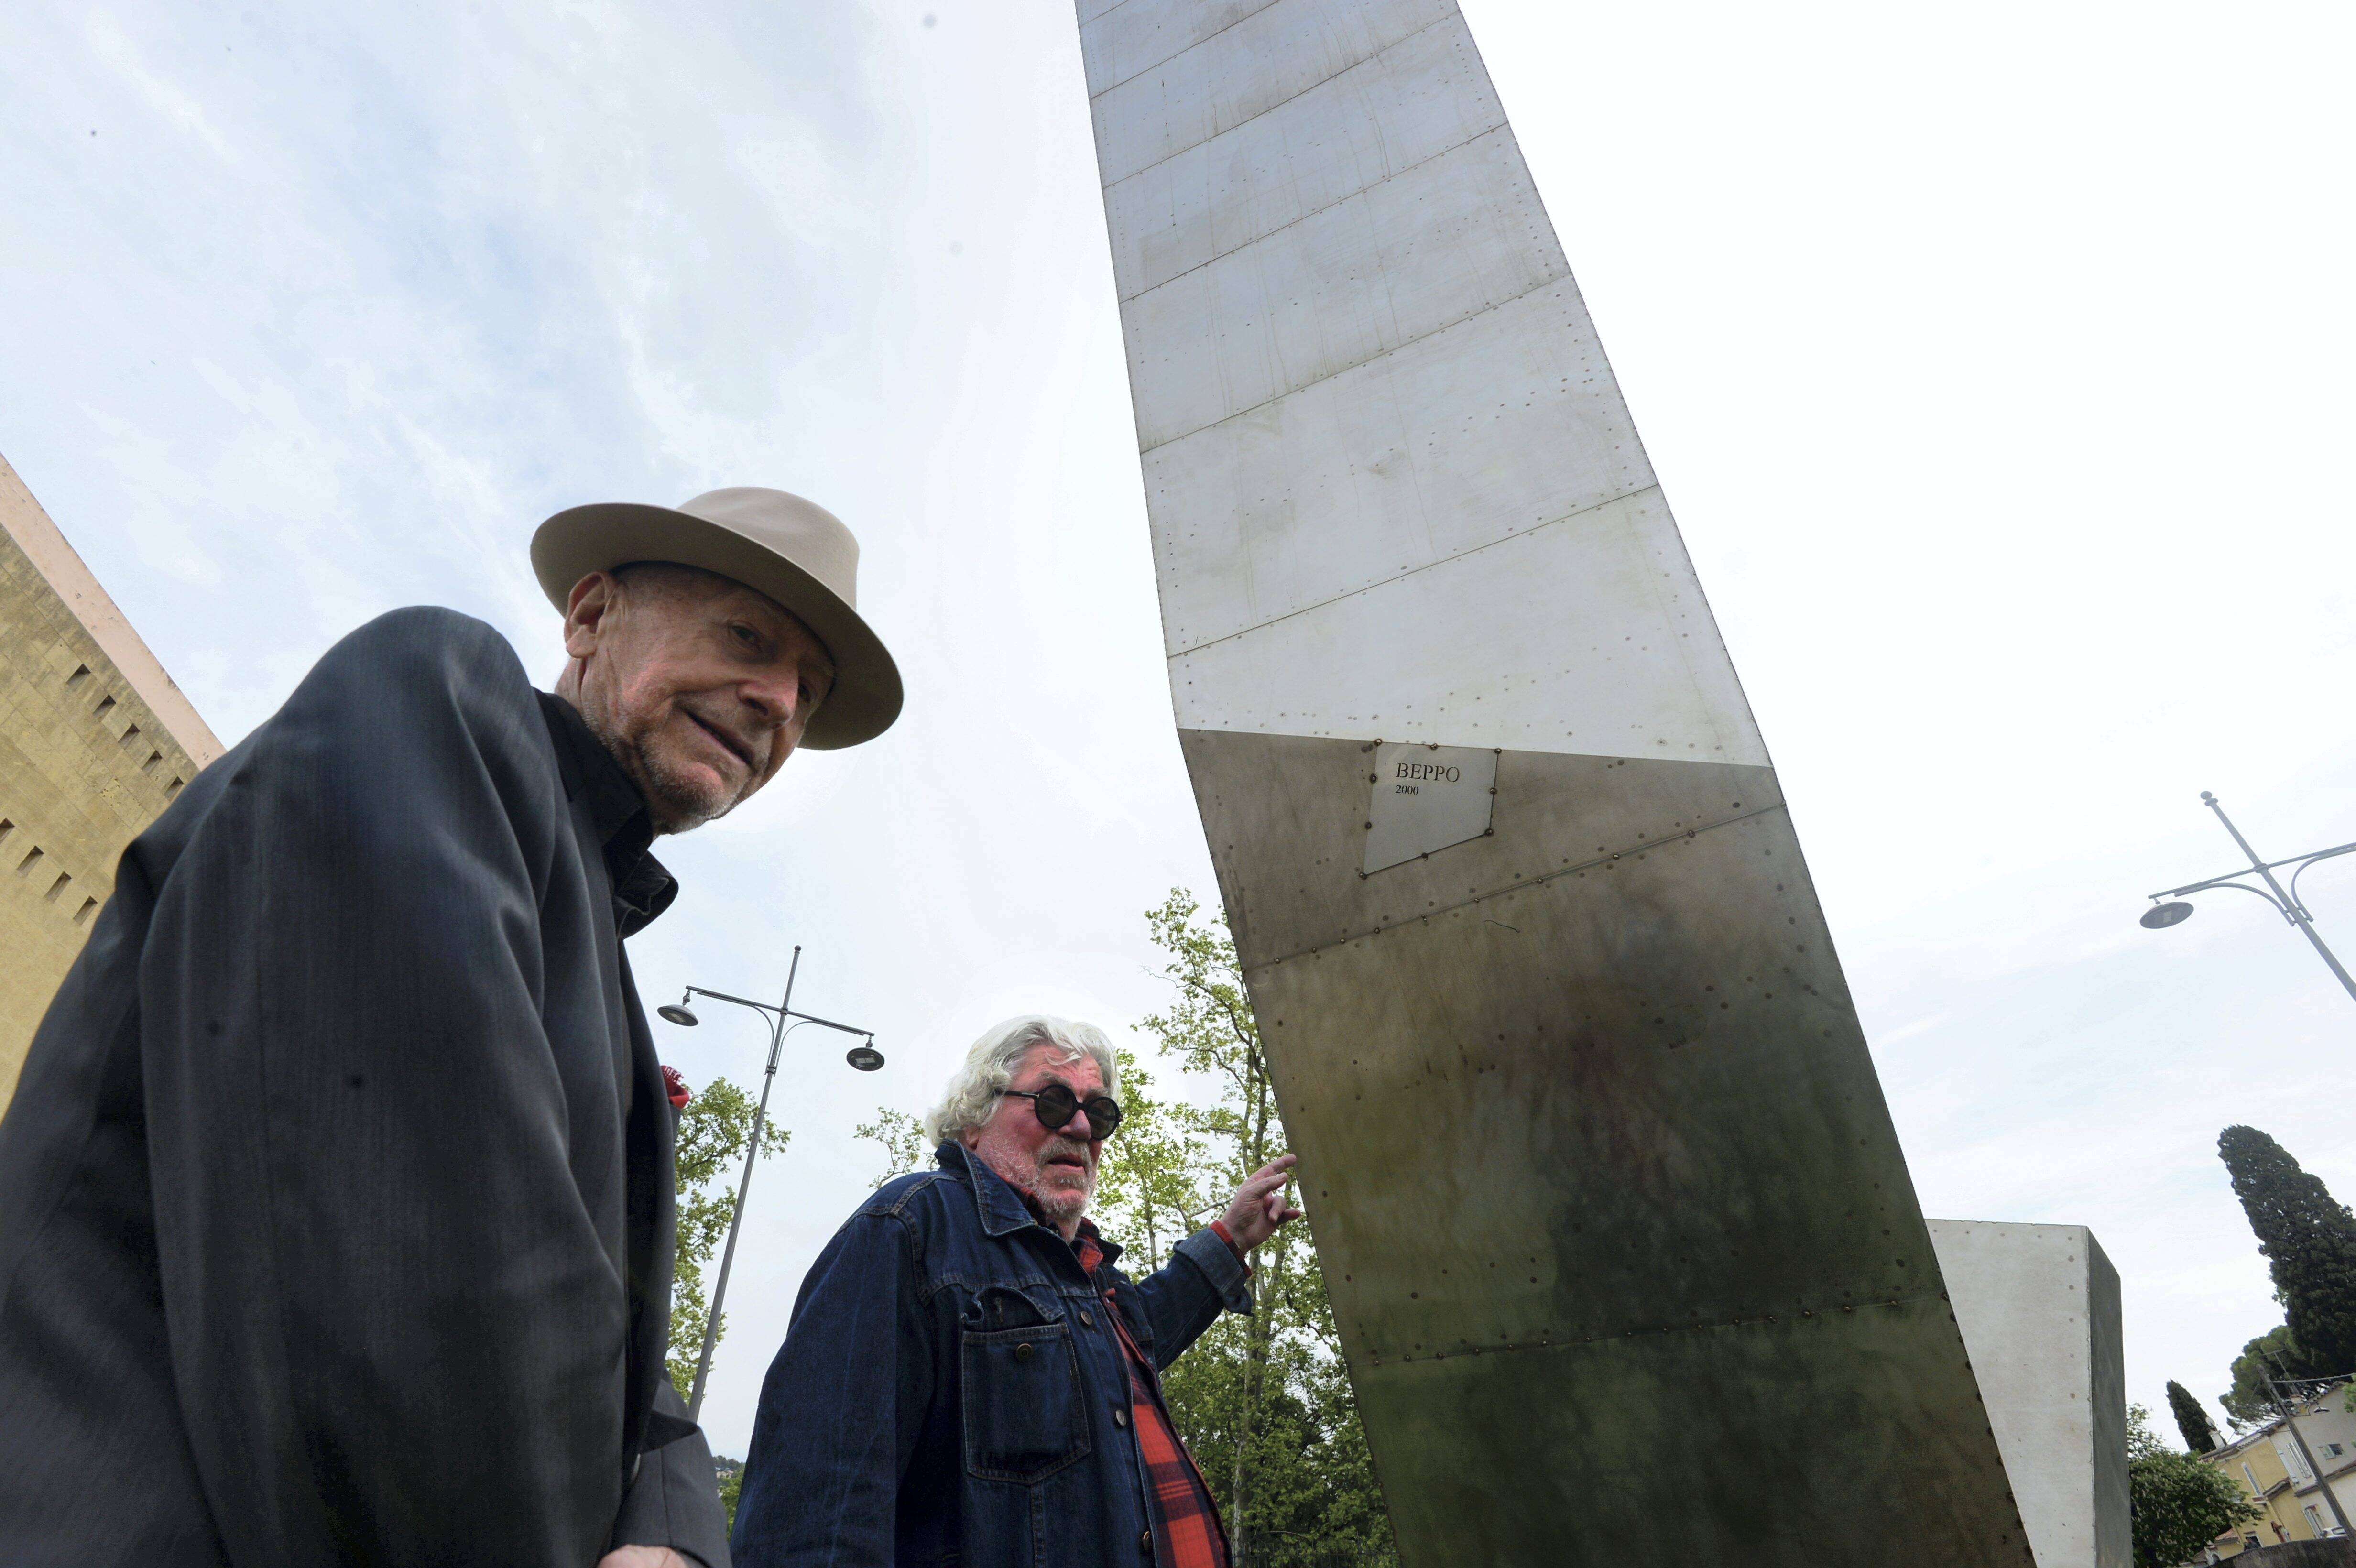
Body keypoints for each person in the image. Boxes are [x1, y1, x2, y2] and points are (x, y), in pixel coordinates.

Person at [0, 488, 901, 1568]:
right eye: (747, 637)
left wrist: (673, 1530)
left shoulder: (590, 948)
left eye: (807, 691)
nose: (776, 700)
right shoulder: (436, 692)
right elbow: (419, 1264)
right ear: (589, 615)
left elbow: (625, 1355)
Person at [731, 1015, 1301, 1568]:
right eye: (1053, 1102)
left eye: (1098, 1112)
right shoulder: (910, 1228)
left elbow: (1139, 1335)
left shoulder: (1086, 1269)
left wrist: (1230, 1238)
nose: (1080, 1128)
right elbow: (816, 1513)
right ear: (973, 1120)